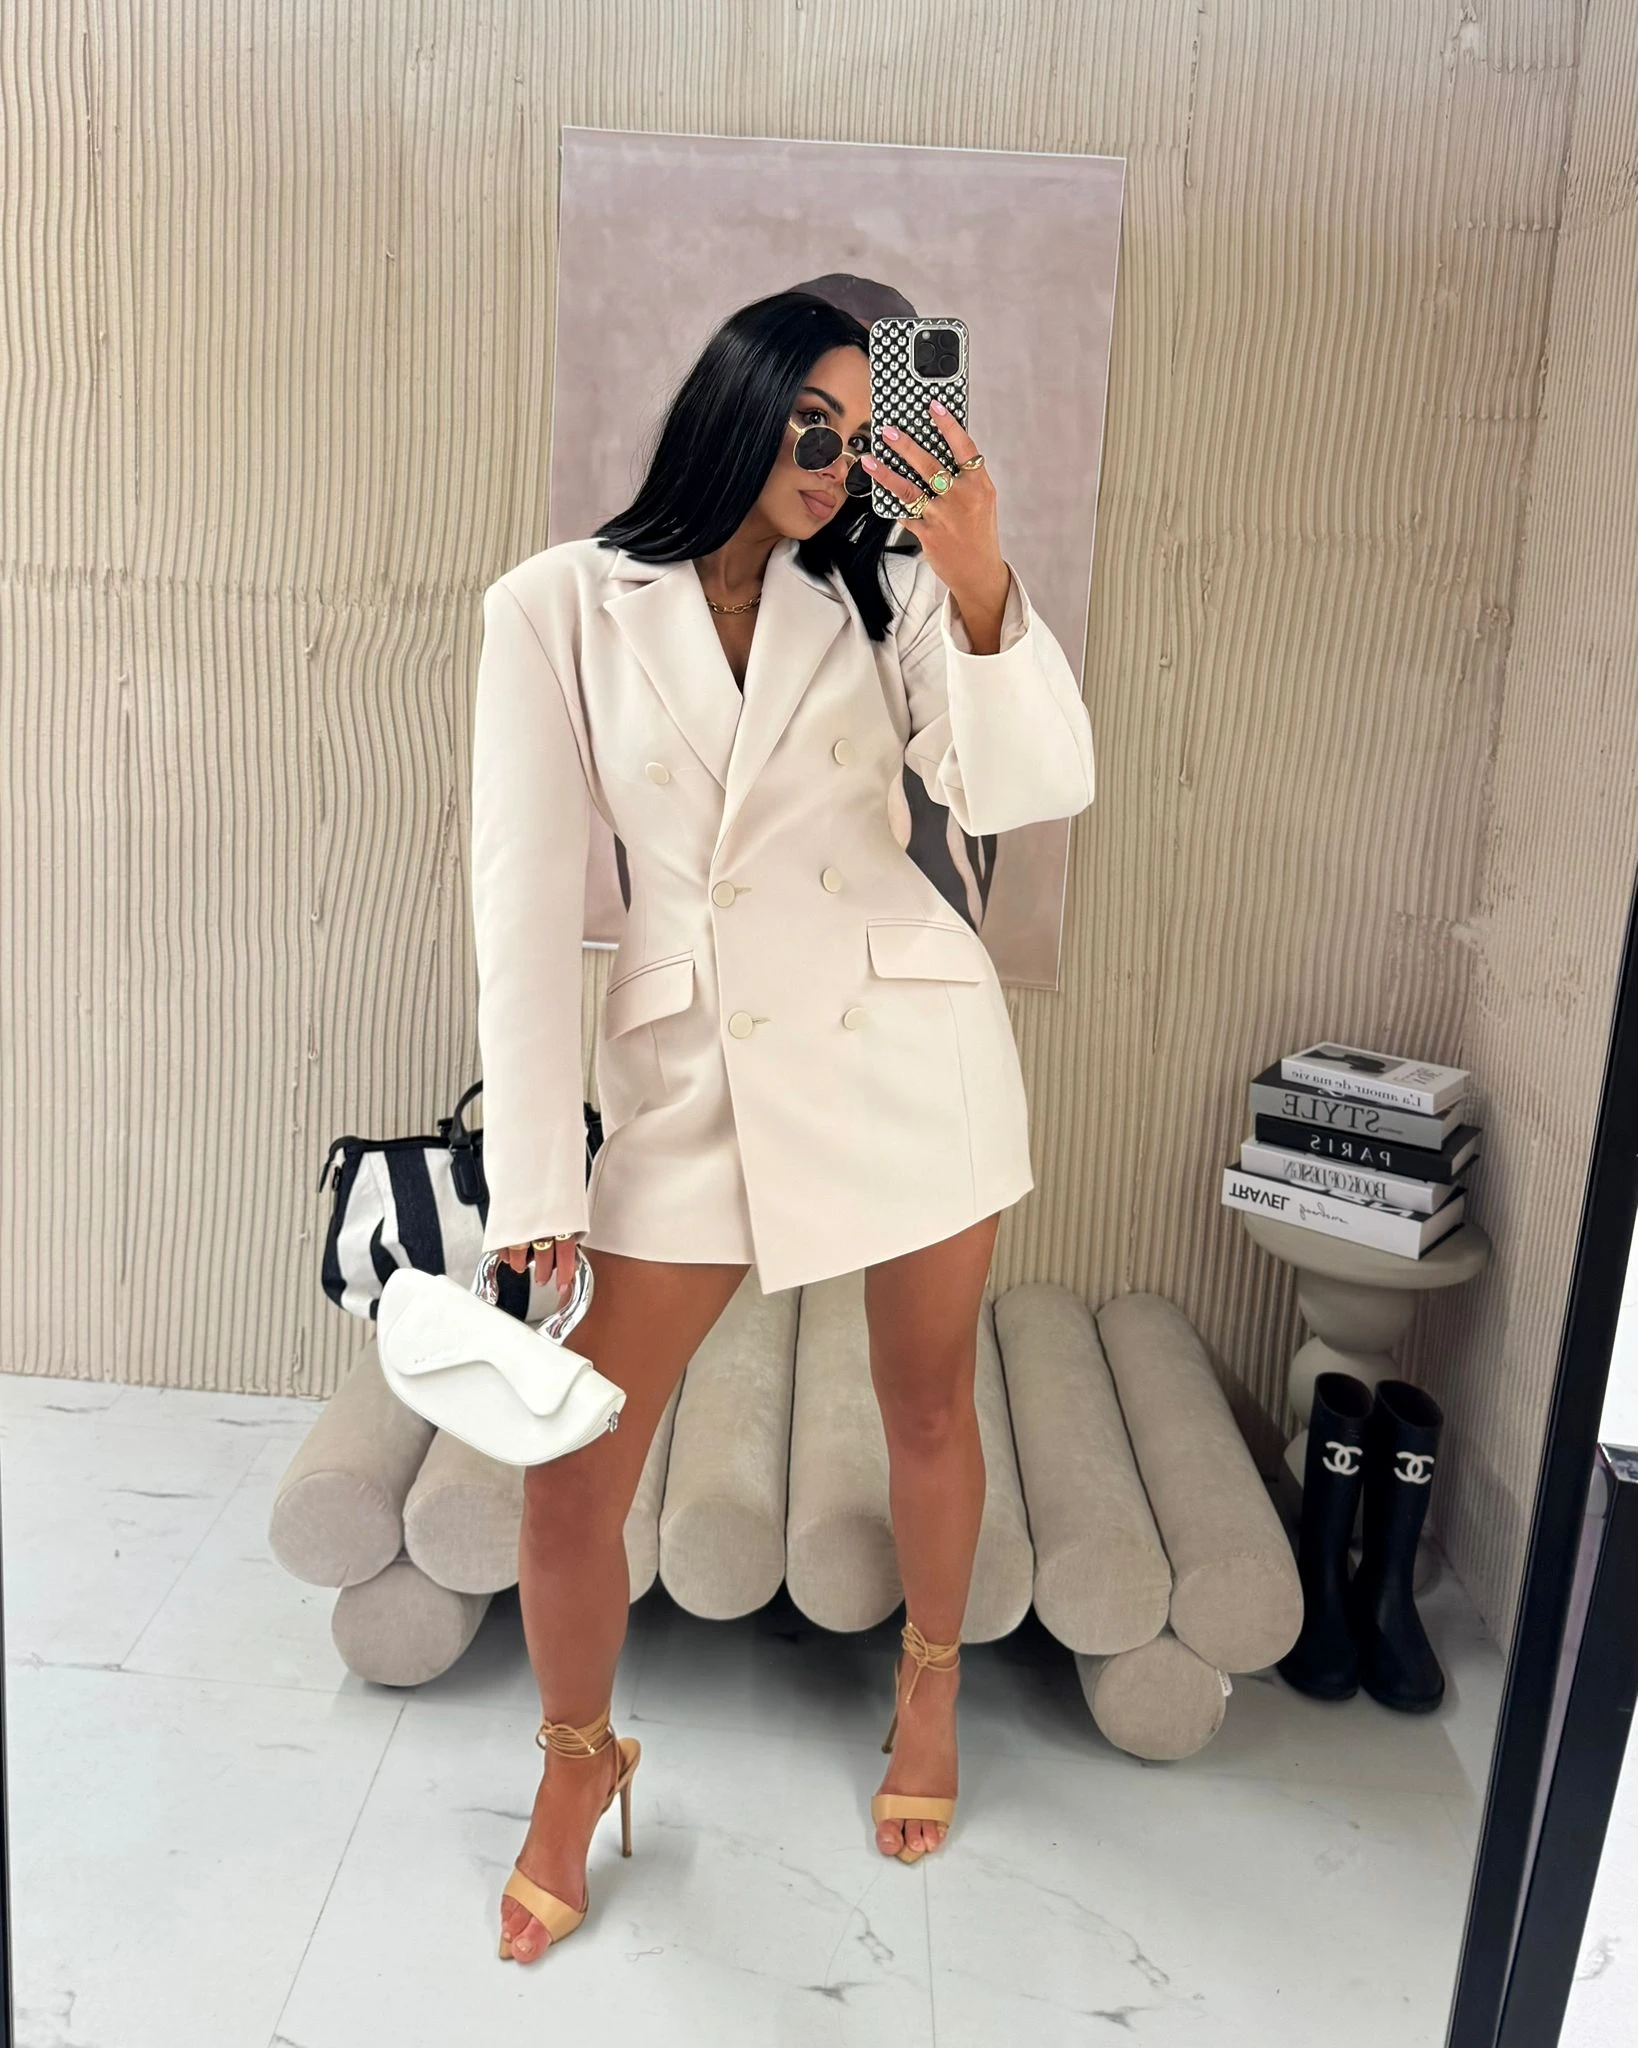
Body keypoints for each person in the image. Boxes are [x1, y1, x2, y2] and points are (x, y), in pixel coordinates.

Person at [472, 289, 1096, 1963]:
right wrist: (534, 1179)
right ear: (735, 406)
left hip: (905, 1048)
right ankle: (576, 1763)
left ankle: (929, 1688)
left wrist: (977, 575)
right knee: (569, 1470)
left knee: (926, 1407)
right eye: (812, 426)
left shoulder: (890, 589)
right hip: (695, 1080)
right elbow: (519, 906)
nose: (836, 463)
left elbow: (1028, 789)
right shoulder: (557, 606)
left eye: (866, 435)